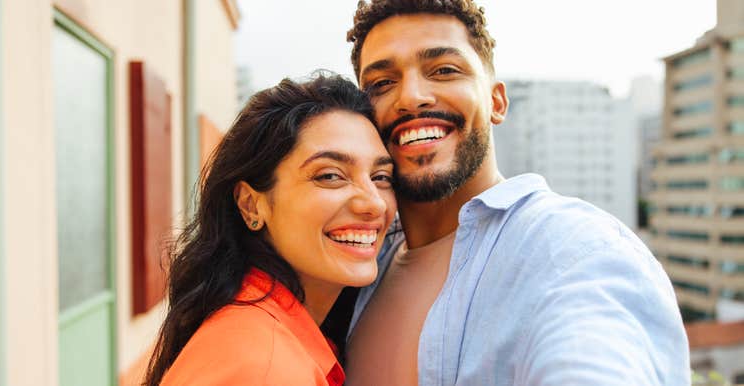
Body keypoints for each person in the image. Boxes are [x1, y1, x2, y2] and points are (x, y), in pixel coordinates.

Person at [342, 1, 690, 385]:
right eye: (382, 83)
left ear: (496, 101)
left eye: (443, 70)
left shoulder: (573, 250)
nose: (411, 97)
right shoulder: (356, 265)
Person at [143, 74, 397, 386]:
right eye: (330, 176)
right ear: (251, 205)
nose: (375, 204)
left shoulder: (268, 332)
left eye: (382, 176)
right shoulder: (264, 367)